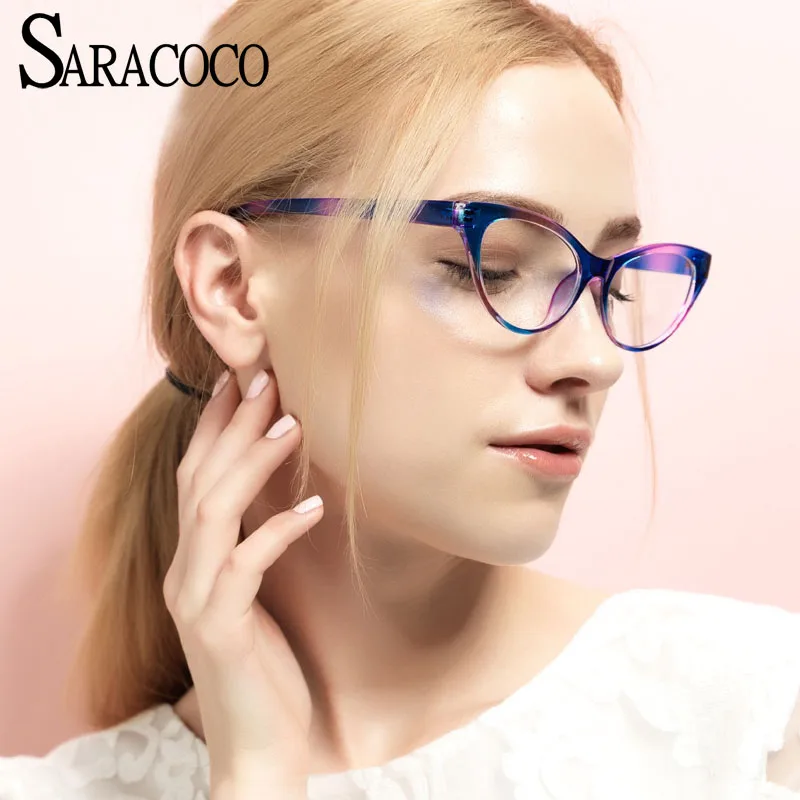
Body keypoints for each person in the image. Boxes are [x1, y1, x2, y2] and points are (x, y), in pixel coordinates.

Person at [2, 0, 799, 798]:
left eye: (611, 283)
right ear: (233, 286)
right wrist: (255, 777)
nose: (595, 360)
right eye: (489, 269)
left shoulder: (752, 723)